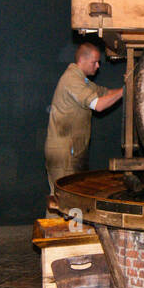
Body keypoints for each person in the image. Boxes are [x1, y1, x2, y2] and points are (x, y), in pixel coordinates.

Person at [44, 41, 123, 195]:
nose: (98, 66)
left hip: (71, 150)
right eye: (95, 62)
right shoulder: (72, 80)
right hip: (64, 153)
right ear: (82, 60)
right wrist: (124, 91)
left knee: (64, 200)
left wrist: (127, 88)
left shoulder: (82, 80)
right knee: (66, 199)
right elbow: (98, 105)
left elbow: (105, 93)